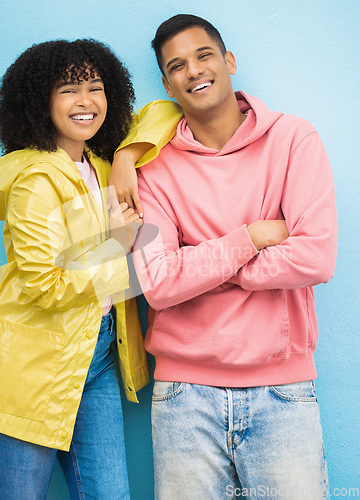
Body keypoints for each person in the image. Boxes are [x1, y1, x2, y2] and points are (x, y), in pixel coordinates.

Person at [113, 14, 338, 499]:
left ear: (229, 61)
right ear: (169, 86)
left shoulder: (294, 140)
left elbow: (315, 258)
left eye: (203, 55)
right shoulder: (150, 168)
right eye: (176, 66)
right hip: (182, 399)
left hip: (283, 393)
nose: (193, 70)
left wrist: (200, 267)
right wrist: (252, 236)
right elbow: (158, 284)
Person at [0, 38, 179, 500]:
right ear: (40, 102)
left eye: (96, 87)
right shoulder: (36, 180)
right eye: (67, 90)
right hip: (29, 363)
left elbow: (165, 110)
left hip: (95, 356)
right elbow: (46, 284)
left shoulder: (100, 168)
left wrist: (124, 157)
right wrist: (125, 254)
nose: (86, 102)